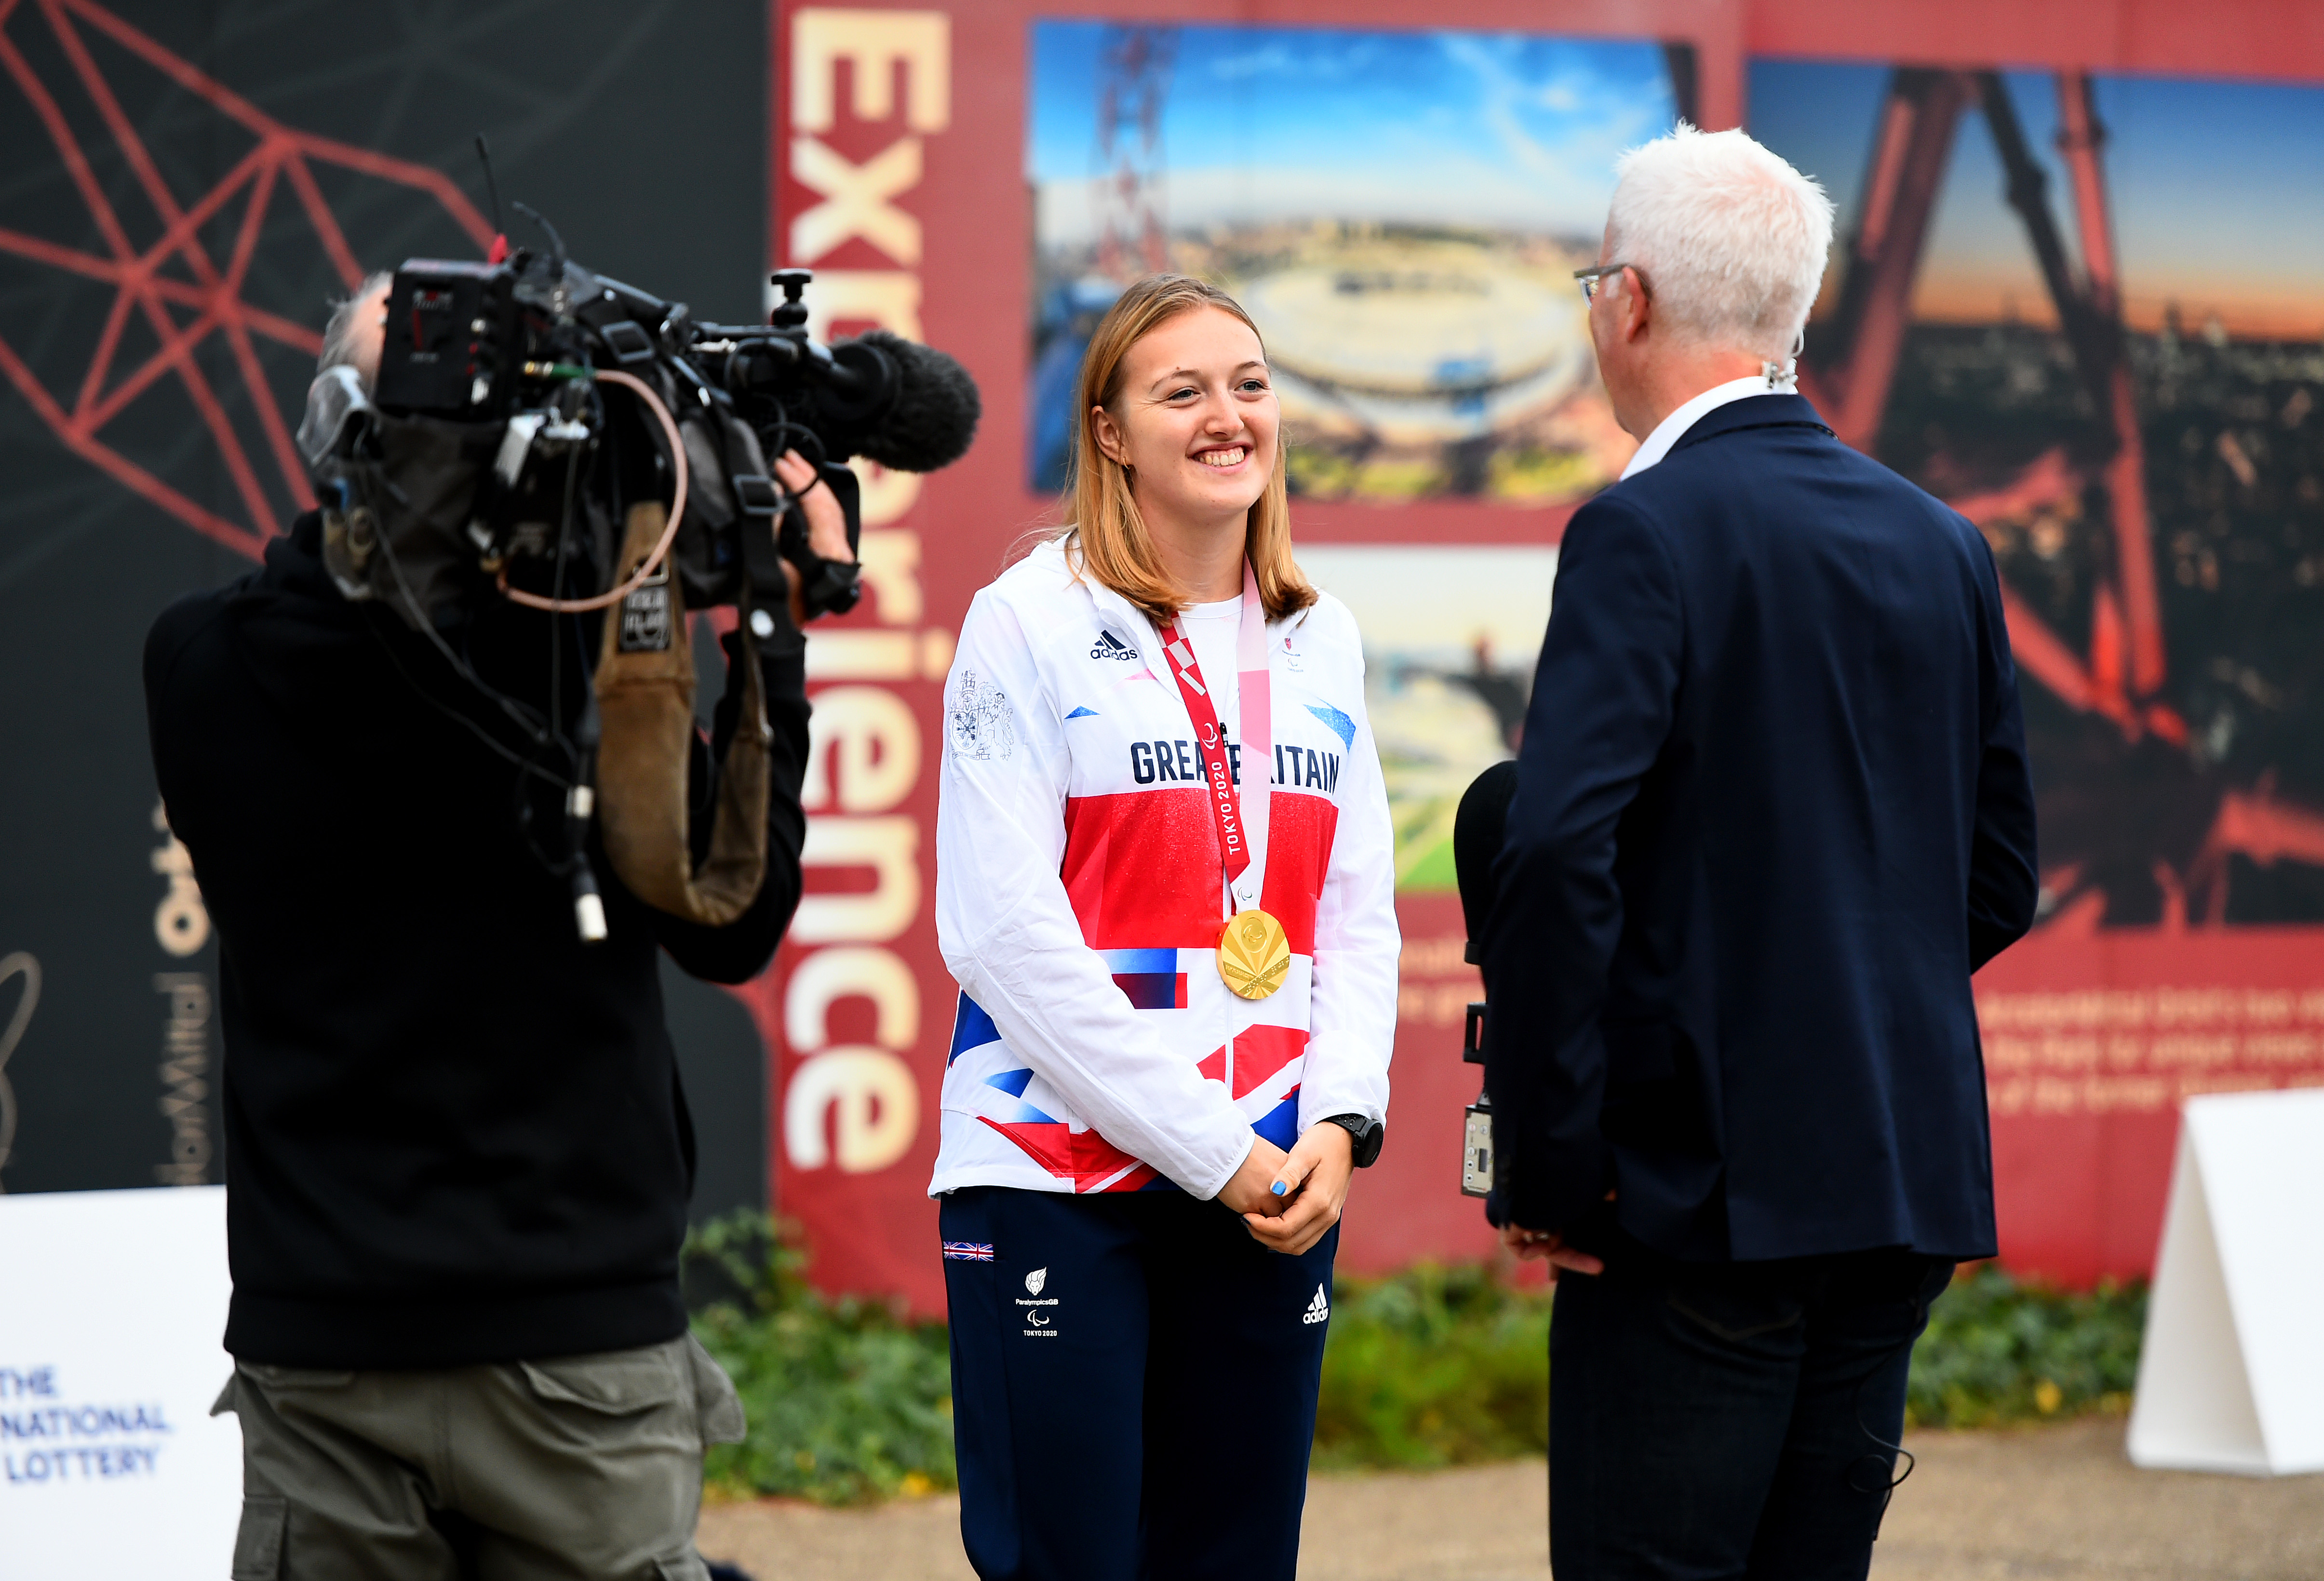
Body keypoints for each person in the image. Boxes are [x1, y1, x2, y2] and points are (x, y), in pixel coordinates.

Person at [143, 275, 847, 1581]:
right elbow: (728, 926)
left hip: (326, 1345)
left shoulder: (198, 662)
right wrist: (763, 632)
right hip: (577, 1350)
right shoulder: (582, 677)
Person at [1481, 125, 2039, 1579]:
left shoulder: (1641, 533)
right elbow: (1996, 882)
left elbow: (1553, 855)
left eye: (1597, 282)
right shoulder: (1944, 545)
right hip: (1896, 1181)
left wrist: (1555, 1170)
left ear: (1633, 301)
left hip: (1694, 1206)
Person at [932, 272, 1399, 1581]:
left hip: (1271, 1178)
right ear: (1109, 432)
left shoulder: (1322, 638)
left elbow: (1356, 916)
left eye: (1248, 385)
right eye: (1181, 390)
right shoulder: (1027, 618)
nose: (1227, 415)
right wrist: (1212, 1148)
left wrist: (1342, 1122)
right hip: (1056, 1177)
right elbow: (1000, 933)